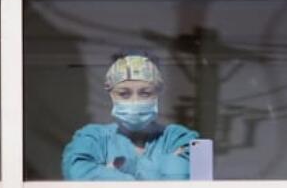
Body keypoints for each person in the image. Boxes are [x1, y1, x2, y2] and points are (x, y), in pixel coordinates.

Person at [61, 52, 199, 180]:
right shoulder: (93, 137)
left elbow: (179, 178)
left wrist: (114, 172)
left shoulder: (178, 138)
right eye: (124, 94)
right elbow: (77, 172)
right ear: (111, 95)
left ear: (157, 94)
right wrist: (158, 170)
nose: (135, 101)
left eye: (145, 93)